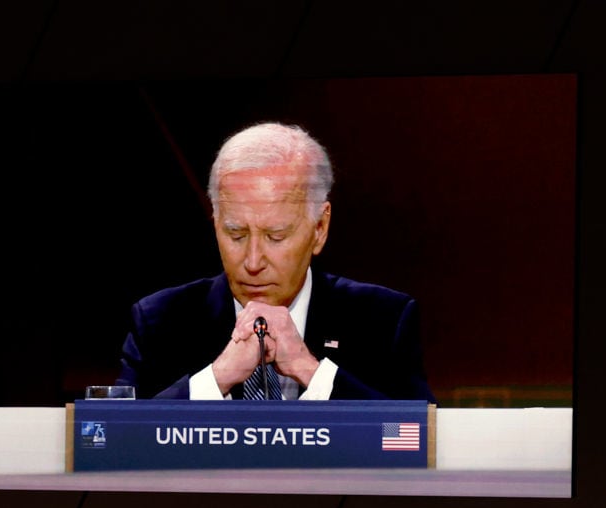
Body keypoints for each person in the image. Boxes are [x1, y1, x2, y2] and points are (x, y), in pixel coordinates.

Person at [116, 122, 436, 403]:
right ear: (215, 223)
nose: (253, 262)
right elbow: (116, 443)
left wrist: (310, 370)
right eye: (236, 234)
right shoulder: (160, 322)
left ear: (319, 229)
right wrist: (217, 378)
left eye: (277, 236)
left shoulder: (383, 321)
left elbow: (412, 438)